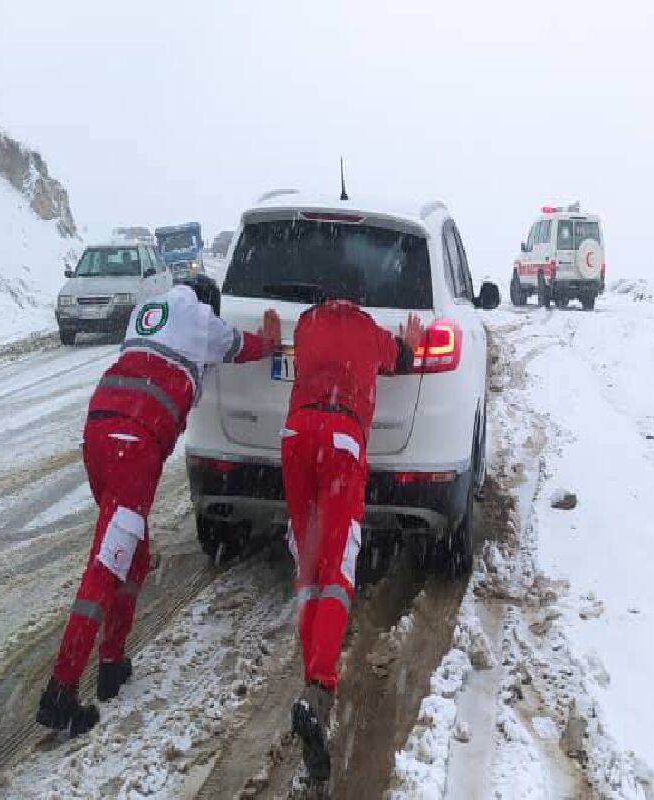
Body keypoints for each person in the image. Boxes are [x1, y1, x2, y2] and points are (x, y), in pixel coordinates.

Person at [37, 275, 280, 735]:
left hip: (100, 433)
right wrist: (270, 340)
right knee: (105, 566)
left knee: (134, 552)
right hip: (135, 443)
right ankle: (61, 691)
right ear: (209, 301)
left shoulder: (148, 313)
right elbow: (241, 345)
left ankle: (112, 663)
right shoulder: (201, 319)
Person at [282, 294, 423, 780]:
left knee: (309, 569)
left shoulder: (304, 325)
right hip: (342, 437)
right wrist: (407, 343)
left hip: (295, 436)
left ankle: (313, 693)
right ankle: (319, 689)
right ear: (358, 304)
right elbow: (401, 360)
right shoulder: (368, 331)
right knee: (340, 566)